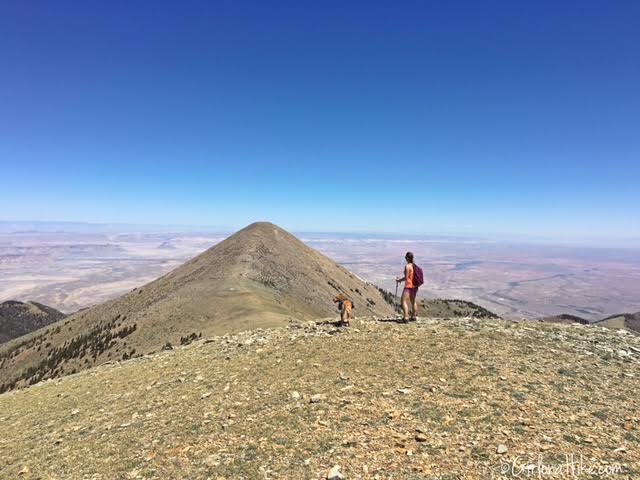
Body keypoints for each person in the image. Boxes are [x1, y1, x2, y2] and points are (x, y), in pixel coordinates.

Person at [396, 251, 418, 323]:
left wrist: (399, 280)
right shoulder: (414, 266)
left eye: (405, 257)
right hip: (415, 286)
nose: (405, 258)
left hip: (408, 286)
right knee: (413, 300)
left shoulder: (407, 266)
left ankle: (405, 317)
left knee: (403, 301)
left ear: (407, 258)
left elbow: (406, 277)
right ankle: (414, 316)